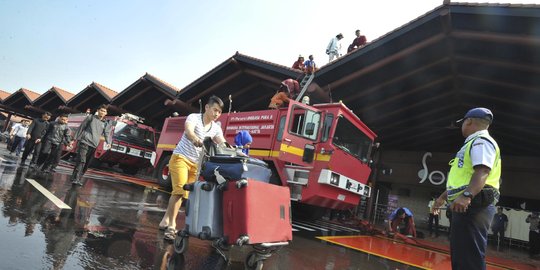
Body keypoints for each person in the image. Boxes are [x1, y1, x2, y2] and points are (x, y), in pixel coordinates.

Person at [432, 107, 501, 270]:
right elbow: (461, 182)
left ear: (468, 121)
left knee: (469, 256)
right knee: (461, 254)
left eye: (462, 123)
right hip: (467, 206)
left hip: (474, 206)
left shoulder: (481, 141)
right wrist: (442, 198)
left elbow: (483, 170)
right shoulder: (471, 144)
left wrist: (467, 195)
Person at [159, 95, 226, 241]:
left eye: (219, 112)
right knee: (179, 191)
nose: (216, 114)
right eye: (214, 110)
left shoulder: (216, 128)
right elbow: (188, 131)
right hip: (180, 158)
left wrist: (233, 150)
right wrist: (195, 138)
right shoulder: (194, 118)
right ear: (207, 107)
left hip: (196, 164)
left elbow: (222, 143)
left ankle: (165, 220)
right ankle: (171, 227)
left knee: (185, 195)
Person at [71, 104, 111, 186]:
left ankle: (76, 177)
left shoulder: (105, 123)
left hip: (94, 145)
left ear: (106, 113)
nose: (102, 112)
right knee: (82, 160)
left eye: (104, 111)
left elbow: (107, 134)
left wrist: (108, 142)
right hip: (84, 142)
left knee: (86, 163)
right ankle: (76, 179)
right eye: (101, 110)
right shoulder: (90, 118)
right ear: (98, 111)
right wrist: (73, 139)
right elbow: (81, 128)